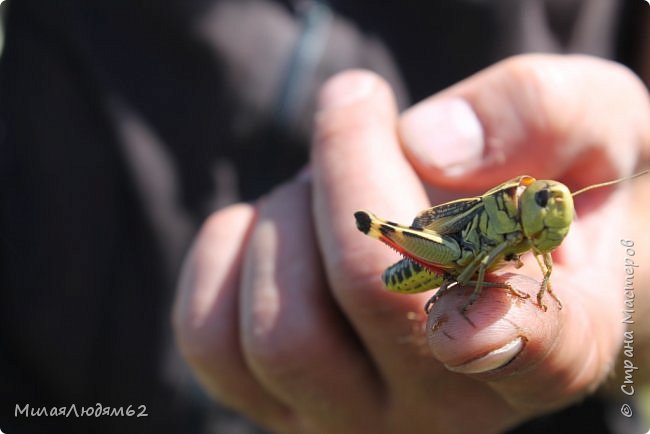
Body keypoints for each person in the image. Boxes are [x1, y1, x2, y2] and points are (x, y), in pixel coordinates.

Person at [1, 1, 648, 433]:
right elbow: (481, 252)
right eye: (542, 201)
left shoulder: (536, 229)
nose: (548, 210)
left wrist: (627, 296)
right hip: (65, 372)